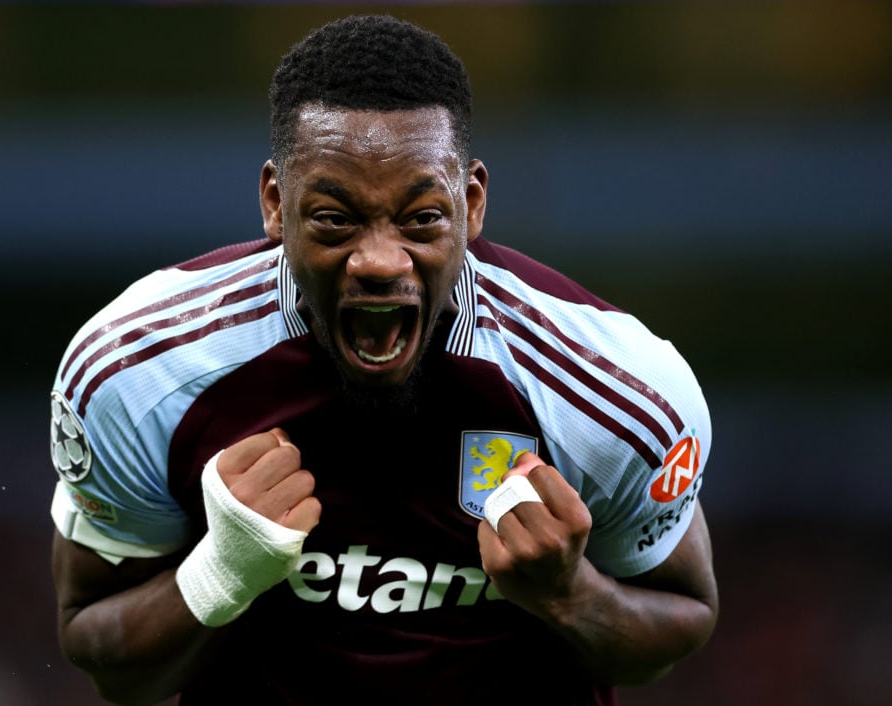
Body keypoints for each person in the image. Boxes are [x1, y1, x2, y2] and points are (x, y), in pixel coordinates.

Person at [48, 13, 718, 706]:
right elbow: (107, 660)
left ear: (472, 203)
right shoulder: (139, 369)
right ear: (276, 204)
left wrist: (570, 595)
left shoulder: (619, 392)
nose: (378, 260)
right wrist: (218, 572)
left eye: (421, 217)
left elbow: (681, 623)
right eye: (336, 219)